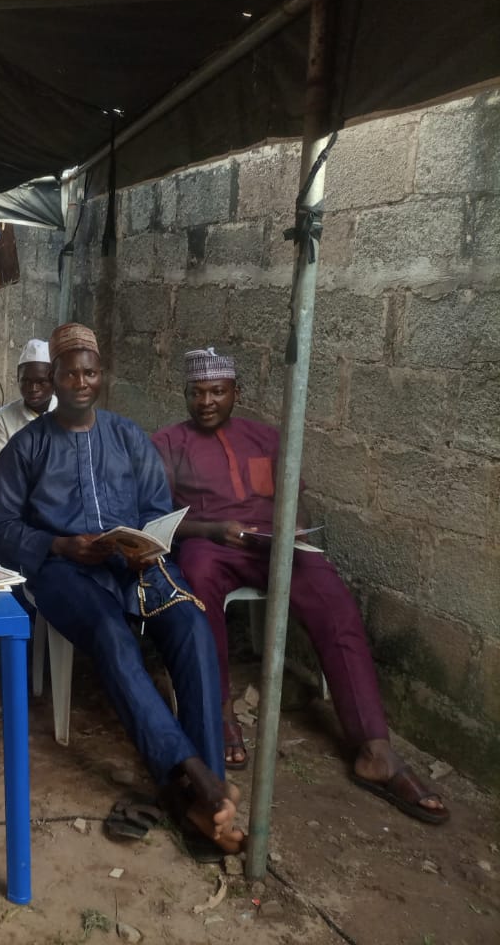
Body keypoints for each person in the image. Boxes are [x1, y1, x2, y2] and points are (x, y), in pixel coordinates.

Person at [152, 347, 449, 824]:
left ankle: (374, 748)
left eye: (217, 391)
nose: (206, 401)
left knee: (334, 601)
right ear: (186, 394)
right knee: (198, 578)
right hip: (210, 542)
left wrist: (295, 534)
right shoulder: (166, 443)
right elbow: (159, 520)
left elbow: (297, 502)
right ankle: (220, 711)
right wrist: (211, 530)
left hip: (273, 544)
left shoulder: (265, 438)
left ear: (236, 393)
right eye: (197, 392)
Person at [0, 324, 244, 856]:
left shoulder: (130, 437)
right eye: (69, 372)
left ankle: (204, 796)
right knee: (110, 634)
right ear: (53, 378)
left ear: (101, 375)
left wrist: (145, 545)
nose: (80, 381)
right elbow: (3, 527)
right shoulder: (26, 447)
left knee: (192, 627)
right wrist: (60, 546)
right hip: (62, 571)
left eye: (90, 371)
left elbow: (157, 512)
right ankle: (198, 777)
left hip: (134, 568)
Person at [0, 338, 57, 475]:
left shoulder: (67, 414)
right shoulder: (3, 418)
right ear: (18, 379)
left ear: (53, 381)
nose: (33, 388)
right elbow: (1, 471)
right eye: (26, 381)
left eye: (41, 381)